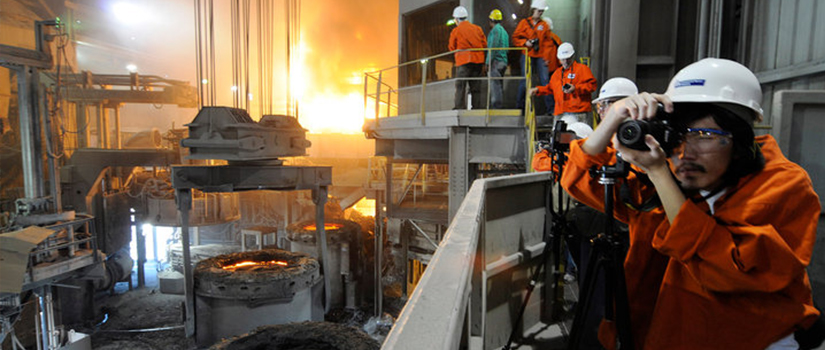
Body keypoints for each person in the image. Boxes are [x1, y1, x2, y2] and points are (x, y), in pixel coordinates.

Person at [561, 58, 821, 349]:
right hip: (662, 333)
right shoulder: (665, 176)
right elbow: (579, 181)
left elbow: (728, 271)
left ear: (741, 138)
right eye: (679, 136)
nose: (686, 153)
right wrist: (611, 120)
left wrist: (660, 175)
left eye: (704, 136)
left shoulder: (782, 184)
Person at [529, 42, 597, 127]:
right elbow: (550, 88)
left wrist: (576, 88)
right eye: (563, 59)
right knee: (558, 138)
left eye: (568, 59)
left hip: (579, 112)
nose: (565, 62)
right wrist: (538, 90)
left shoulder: (582, 69)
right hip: (560, 112)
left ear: (572, 56)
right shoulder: (557, 74)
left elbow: (592, 86)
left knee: (581, 137)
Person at [512, 0, 554, 113]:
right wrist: (525, 43)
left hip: (540, 56)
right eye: (539, 11)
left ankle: (551, 109)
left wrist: (546, 58)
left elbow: (547, 44)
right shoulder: (524, 23)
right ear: (533, 10)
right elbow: (515, 38)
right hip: (527, 54)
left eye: (541, 11)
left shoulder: (544, 25)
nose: (540, 13)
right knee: (525, 80)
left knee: (545, 81)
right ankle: (520, 107)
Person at [449, 6, 487, 110]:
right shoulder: (477, 28)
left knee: (461, 86)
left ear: (457, 19)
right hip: (478, 61)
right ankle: (477, 108)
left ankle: (459, 107)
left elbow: (452, 47)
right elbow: (484, 44)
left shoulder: (456, 31)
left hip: (463, 62)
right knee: (476, 87)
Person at [486, 9, 509, 109]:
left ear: (491, 20)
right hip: (503, 62)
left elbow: (492, 47)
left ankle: (496, 106)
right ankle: (498, 105)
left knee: (495, 84)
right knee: (499, 84)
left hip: (496, 61)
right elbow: (507, 48)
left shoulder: (495, 31)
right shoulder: (504, 32)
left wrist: (487, 62)